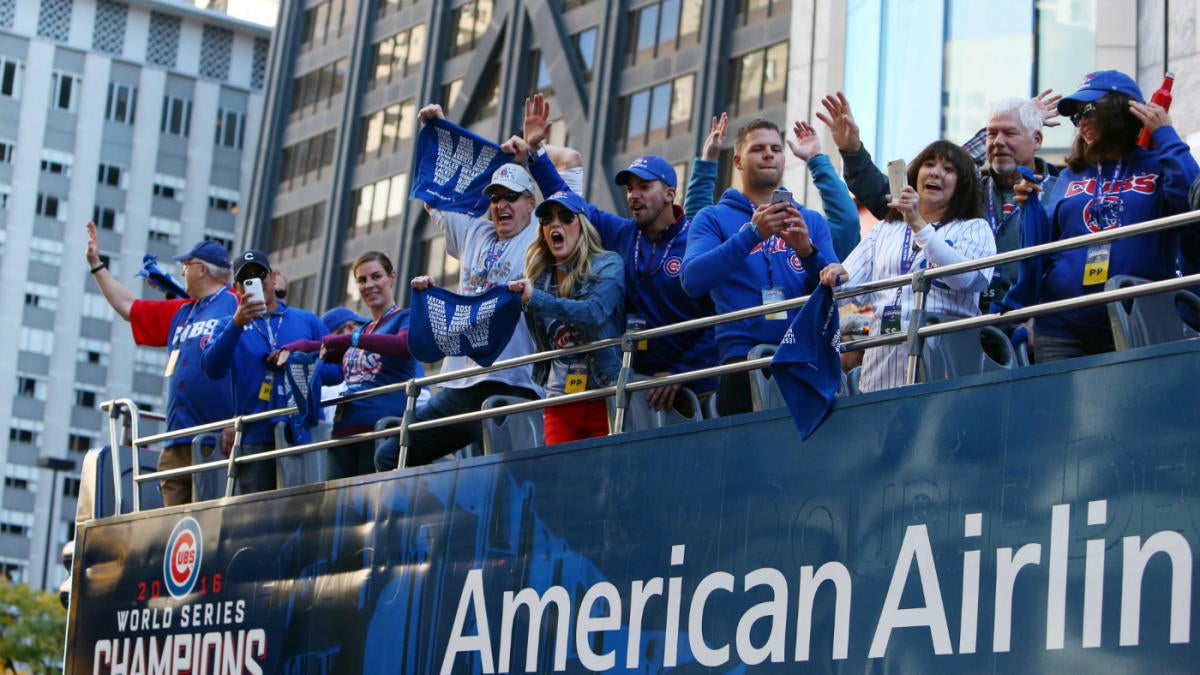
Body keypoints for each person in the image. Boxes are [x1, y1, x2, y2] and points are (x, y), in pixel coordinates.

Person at [374, 103, 553, 471]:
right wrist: (436, 131)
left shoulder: (541, 233)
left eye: (511, 197)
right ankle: (429, 524)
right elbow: (435, 193)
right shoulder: (474, 230)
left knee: (511, 475)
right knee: (390, 455)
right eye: (495, 198)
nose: (501, 205)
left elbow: (571, 192)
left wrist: (534, 153)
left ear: (531, 203)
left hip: (513, 383)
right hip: (459, 384)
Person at [520, 93, 718, 411]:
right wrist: (536, 151)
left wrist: (681, 373)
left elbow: (718, 318)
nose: (633, 196)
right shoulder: (622, 233)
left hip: (697, 393)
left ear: (670, 194)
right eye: (629, 188)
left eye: (644, 187)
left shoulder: (698, 238)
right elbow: (568, 200)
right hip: (638, 391)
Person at [818, 91, 1061, 311]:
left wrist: (1039, 320)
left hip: (1032, 323)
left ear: (1036, 140)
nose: (998, 142)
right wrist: (853, 152)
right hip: (971, 327)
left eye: (1009, 133)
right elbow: (900, 192)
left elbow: (1066, 264)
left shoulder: (1061, 192)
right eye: (991, 134)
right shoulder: (968, 191)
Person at [1018, 70, 1199, 362]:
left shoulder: (1159, 163)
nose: (1081, 122)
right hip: (1063, 327)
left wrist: (1165, 134)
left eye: (1088, 110)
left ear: (1121, 109)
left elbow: (1193, 198)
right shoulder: (1069, 175)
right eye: (1076, 116)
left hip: (1140, 318)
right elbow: (1046, 248)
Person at [681, 118, 840, 416]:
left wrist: (807, 251)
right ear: (739, 161)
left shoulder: (811, 221)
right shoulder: (712, 218)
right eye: (758, 149)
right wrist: (751, 236)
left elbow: (837, 284)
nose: (769, 154)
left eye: (775, 148)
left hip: (804, 358)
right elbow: (692, 280)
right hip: (742, 361)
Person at [818, 141, 996, 392]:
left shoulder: (974, 228)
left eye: (948, 169)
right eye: (929, 164)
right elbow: (850, 288)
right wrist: (836, 274)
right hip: (883, 360)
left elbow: (967, 279)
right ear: (915, 176)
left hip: (946, 361)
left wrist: (919, 225)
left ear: (962, 185)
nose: (935, 172)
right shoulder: (885, 229)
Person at [84, 223, 237, 506]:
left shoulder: (236, 305)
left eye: (187, 265)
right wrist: (96, 265)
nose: (182, 272)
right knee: (176, 534)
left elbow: (255, 363)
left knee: (210, 523)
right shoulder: (184, 311)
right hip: (177, 439)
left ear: (202, 269)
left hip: (217, 440)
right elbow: (132, 308)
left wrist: (237, 420)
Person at [281, 253, 422, 479]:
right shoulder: (362, 331)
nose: (369, 285)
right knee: (335, 508)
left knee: (370, 507)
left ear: (392, 277)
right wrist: (299, 347)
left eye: (376, 276)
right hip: (342, 433)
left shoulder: (405, 317)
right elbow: (329, 350)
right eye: (362, 280)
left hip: (380, 434)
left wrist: (350, 340)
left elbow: (403, 345)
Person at [200, 250, 330, 494]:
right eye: (247, 279)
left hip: (302, 431)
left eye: (260, 275)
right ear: (237, 288)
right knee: (257, 517)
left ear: (271, 277)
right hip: (254, 435)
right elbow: (211, 368)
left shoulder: (306, 320)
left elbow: (337, 369)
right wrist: (237, 324)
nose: (256, 283)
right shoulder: (228, 324)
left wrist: (299, 362)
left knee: (306, 508)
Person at [508, 191, 624, 444]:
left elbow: (593, 313)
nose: (555, 224)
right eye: (547, 219)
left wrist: (537, 300)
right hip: (560, 399)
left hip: (604, 395)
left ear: (582, 226)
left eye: (566, 217)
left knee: (604, 478)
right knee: (559, 479)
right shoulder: (537, 278)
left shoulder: (608, 264)